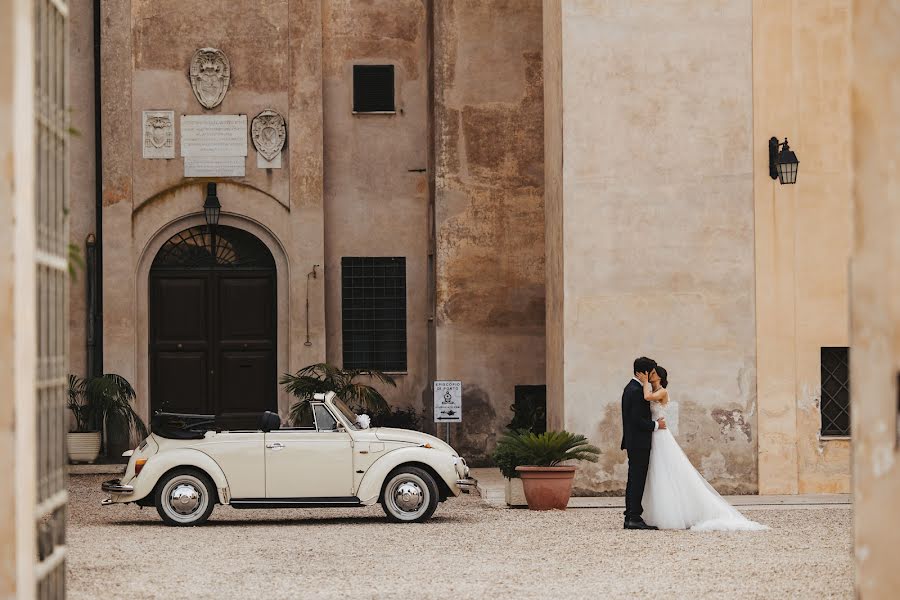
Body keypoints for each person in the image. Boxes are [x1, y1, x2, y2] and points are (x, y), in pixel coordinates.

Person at [636, 366, 767, 531]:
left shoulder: (662, 392)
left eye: (653, 373)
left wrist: (644, 382)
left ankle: (678, 512)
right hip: (655, 431)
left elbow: (647, 396)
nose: (650, 375)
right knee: (657, 471)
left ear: (660, 377)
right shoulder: (653, 389)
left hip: (661, 434)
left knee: (665, 469)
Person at [620, 356, 664, 530]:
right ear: (644, 373)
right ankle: (634, 517)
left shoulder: (632, 388)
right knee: (637, 479)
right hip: (638, 442)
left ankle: (631, 514)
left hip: (635, 441)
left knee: (634, 479)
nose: (653, 375)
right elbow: (637, 420)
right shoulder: (636, 391)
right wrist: (656, 425)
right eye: (651, 372)